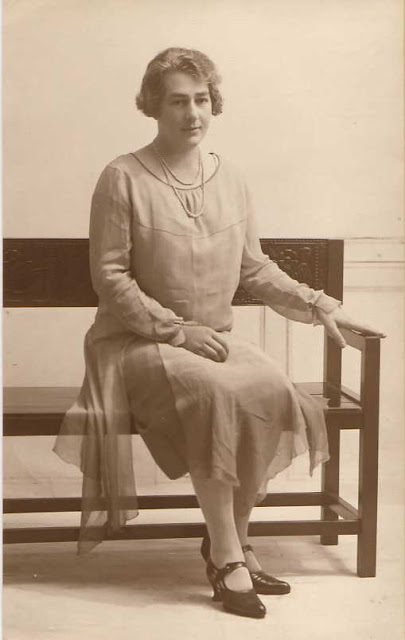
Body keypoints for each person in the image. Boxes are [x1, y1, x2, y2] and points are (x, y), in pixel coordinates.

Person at [53, 47, 384, 619]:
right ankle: (229, 557)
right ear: (153, 106)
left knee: (270, 386)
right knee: (217, 393)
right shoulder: (122, 177)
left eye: (202, 100)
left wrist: (321, 304)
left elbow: (254, 268)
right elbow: (110, 278)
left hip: (208, 341)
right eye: (177, 101)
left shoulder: (231, 177)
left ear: (215, 103)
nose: (192, 114)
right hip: (135, 344)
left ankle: (232, 541)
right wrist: (176, 331)